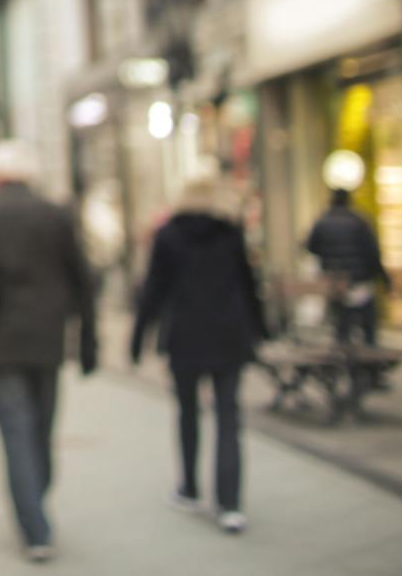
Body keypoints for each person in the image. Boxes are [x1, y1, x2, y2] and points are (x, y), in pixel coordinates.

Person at [0, 139, 97, 564]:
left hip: (2, 339)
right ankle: (37, 502)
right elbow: (82, 277)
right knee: (42, 428)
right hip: (48, 336)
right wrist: (89, 338)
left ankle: (34, 526)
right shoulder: (55, 213)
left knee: (16, 431)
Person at [130, 174, 267, 536]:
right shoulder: (230, 232)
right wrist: (261, 331)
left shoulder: (170, 235)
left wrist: (138, 337)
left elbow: (153, 290)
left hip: (185, 336)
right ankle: (230, 504)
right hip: (228, 335)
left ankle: (189, 488)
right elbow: (249, 284)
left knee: (188, 412)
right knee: (227, 416)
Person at [306, 187, 387, 347]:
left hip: (335, 279)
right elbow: (372, 252)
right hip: (360, 278)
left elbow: (311, 246)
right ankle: (368, 350)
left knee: (342, 323)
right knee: (367, 322)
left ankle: (343, 348)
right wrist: (382, 276)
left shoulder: (322, 221)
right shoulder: (359, 221)